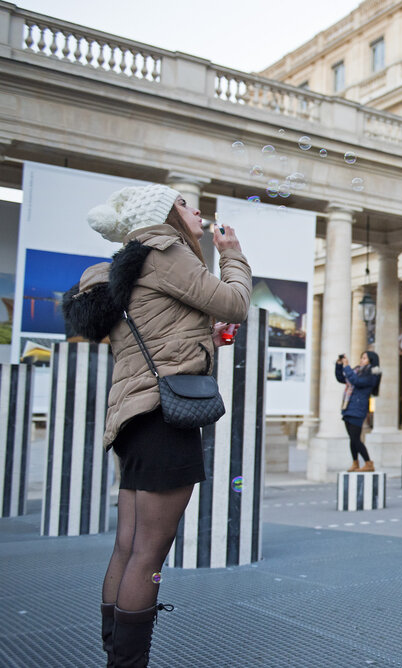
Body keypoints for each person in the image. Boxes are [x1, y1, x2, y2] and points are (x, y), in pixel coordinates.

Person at [63, 184, 250, 666]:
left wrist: (202, 339)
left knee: (129, 546)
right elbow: (234, 303)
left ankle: (115, 652)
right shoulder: (164, 250)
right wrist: (232, 255)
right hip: (165, 417)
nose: (198, 211)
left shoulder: (129, 263)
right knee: (148, 553)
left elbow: (151, 331)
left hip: (134, 417)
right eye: (186, 204)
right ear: (163, 213)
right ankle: (127, 662)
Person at [335, 351, 382, 472]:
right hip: (348, 406)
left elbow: (357, 382)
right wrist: (339, 365)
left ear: (371, 360)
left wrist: (347, 367)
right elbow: (342, 378)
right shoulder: (357, 370)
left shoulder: (372, 373)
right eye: (361, 357)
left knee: (356, 438)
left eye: (365, 358)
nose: (362, 360)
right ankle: (355, 462)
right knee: (352, 438)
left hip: (358, 407)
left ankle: (368, 463)